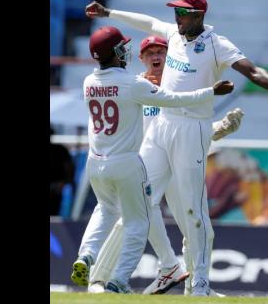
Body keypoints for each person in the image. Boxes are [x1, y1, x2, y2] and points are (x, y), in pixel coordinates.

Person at [84, 0, 268, 296]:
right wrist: (109, 13)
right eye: (176, 12)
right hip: (162, 125)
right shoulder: (174, 34)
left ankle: (199, 284)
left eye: (183, 13)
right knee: (139, 201)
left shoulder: (218, 45)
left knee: (193, 211)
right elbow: (148, 22)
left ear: (199, 16)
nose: (177, 18)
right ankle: (113, 280)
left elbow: (252, 71)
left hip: (192, 129)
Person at [71, 26, 234, 294]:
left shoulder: (91, 81)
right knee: (137, 220)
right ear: (141, 58)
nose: (155, 56)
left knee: (188, 222)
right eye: (150, 52)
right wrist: (210, 92)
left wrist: (217, 129)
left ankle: (193, 283)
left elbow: (182, 128)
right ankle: (112, 280)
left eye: (161, 50)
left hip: (112, 161)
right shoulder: (135, 84)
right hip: (140, 162)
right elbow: (169, 106)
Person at [50, 126, 75, 216]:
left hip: (57, 188)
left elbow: (69, 167)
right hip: (57, 186)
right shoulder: (61, 149)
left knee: (54, 214)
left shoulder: (61, 150)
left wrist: (65, 182)